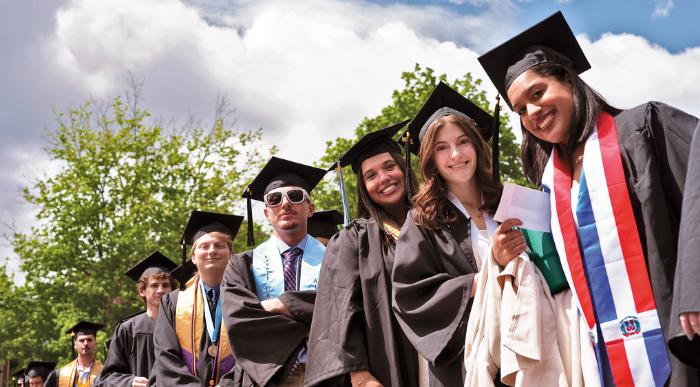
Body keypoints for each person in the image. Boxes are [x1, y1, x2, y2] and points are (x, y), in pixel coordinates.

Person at [478, 11, 700, 387]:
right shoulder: (551, 181)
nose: (532, 113)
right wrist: (509, 257)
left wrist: (695, 287)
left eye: (538, 93)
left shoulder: (643, 128)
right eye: (520, 110)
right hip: (602, 358)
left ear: (568, 79)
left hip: (677, 334)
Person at [391, 82, 524, 387]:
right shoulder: (423, 221)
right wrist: (491, 270)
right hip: (468, 361)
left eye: (463, 141)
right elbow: (410, 297)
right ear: (431, 159)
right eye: (441, 147)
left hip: (528, 341)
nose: (455, 154)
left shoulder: (509, 202)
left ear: (477, 145)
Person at [305, 120, 422, 387]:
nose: (384, 178)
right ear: (363, 187)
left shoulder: (436, 222)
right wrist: (361, 377)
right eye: (371, 175)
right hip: (391, 363)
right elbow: (339, 310)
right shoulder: (353, 240)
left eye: (390, 166)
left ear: (404, 168)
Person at [221, 157, 327, 387]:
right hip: (268, 378)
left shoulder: (335, 259)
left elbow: (346, 309)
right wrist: (314, 322)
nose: (285, 203)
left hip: (329, 375)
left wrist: (280, 305)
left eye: (295, 196)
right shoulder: (242, 265)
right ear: (267, 213)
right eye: (275, 199)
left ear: (310, 209)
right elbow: (239, 322)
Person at [153, 211, 244, 387]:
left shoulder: (246, 296)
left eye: (219, 245)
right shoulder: (172, 302)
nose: (212, 251)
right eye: (204, 246)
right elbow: (166, 356)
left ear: (231, 253)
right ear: (193, 257)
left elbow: (253, 350)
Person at [94, 251, 178, 387]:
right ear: (142, 291)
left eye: (166, 285)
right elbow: (106, 378)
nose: (160, 290)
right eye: (154, 285)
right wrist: (129, 382)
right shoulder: (128, 330)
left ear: (173, 290)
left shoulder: (183, 325)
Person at [44, 321, 105, 387]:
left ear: (95, 344)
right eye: (81, 340)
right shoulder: (61, 374)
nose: (85, 343)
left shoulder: (104, 374)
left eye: (89, 340)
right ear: (75, 345)